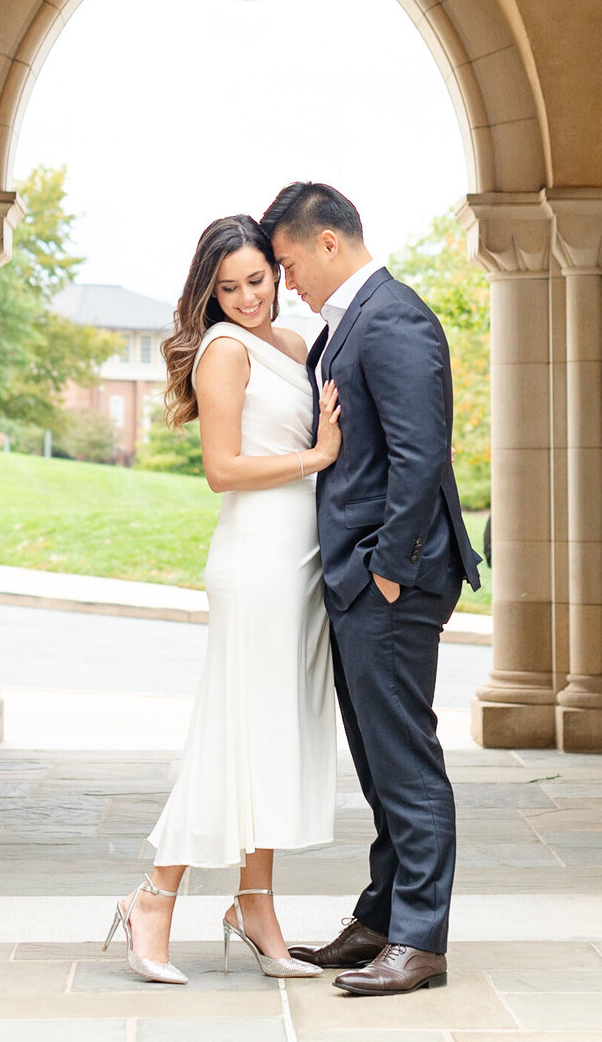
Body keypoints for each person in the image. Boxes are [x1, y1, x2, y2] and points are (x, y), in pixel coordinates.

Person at [105, 213, 343, 985]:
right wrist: (315, 456)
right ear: (210, 292)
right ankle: (153, 897)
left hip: (301, 560)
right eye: (229, 286)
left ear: (278, 274)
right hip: (256, 560)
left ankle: (256, 904)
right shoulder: (225, 350)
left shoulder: (296, 346)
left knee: (273, 735)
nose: (246, 297)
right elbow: (222, 468)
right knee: (234, 734)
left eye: (257, 279)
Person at [262, 181, 482, 998]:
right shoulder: (350, 321)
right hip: (366, 576)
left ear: (328, 243)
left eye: (287, 264)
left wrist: (387, 567)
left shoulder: (394, 317)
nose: (288, 283)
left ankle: (419, 940)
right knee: (379, 760)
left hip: (394, 578)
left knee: (405, 760)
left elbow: (421, 455)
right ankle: (384, 916)